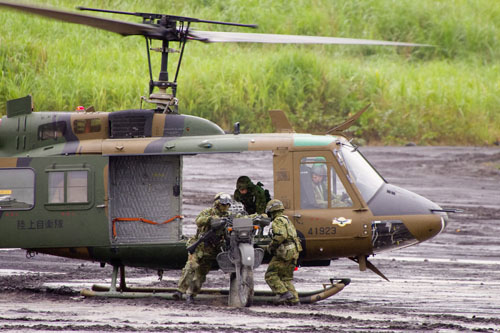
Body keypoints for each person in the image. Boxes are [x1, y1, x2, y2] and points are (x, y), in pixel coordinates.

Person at [173, 192, 232, 303]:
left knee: (200, 276)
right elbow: (199, 220)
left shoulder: (229, 216)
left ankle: (191, 295)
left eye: (227, 205)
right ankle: (180, 291)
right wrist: (212, 220)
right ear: (217, 203)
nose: (225, 207)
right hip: (199, 247)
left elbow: (242, 218)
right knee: (190, 267)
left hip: (212, 251)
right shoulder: (208, 213)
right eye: (223, 204)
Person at [264, 199, 303, 305]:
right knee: (286, 278)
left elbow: (281, 235)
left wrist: (271, 246)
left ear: (271, 211)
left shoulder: (277, 221)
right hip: (294, 252)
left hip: (285, 253)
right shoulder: (287, 220)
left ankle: (283, 294)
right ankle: (294, 300)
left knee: (270, 275)